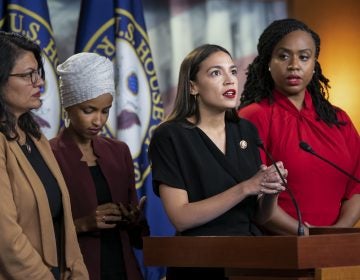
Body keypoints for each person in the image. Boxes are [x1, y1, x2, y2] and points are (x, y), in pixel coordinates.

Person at [148, 44, 287, 279]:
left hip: (250, 260)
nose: (229, 80)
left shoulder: (245, 130)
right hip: (199, 262)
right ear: (192, 87)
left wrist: (270, 189)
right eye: (216, 73)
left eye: (232, 71)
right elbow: (181, 218)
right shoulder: (170, 136)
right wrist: (246, 187)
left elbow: (258, 217)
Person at [239, 18, 360, 235]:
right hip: (276, 251)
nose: (294, 65)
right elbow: (253, 196)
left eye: (304, 57)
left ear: (314, 64)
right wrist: (304, 233)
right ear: (268, 62)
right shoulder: (253, 117)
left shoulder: (338, 119)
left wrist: (335, 235)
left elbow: (357, 187)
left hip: (334, 255)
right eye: (283, 56)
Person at [50, 52, 149, 280]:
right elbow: (36, 232)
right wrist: (83, 224)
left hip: (125, 269)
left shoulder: (119, 151)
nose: (99, 121)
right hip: (78, 272)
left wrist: (132, 218)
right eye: (89, 110)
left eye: (105, 110)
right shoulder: (48, 156)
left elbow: (140, 235)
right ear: (69, 106)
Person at [0, 32, 88, 279]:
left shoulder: (36, 137)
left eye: (39, 73)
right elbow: (6, 239)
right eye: (28, 75)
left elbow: (64, 224)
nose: (39, 83)